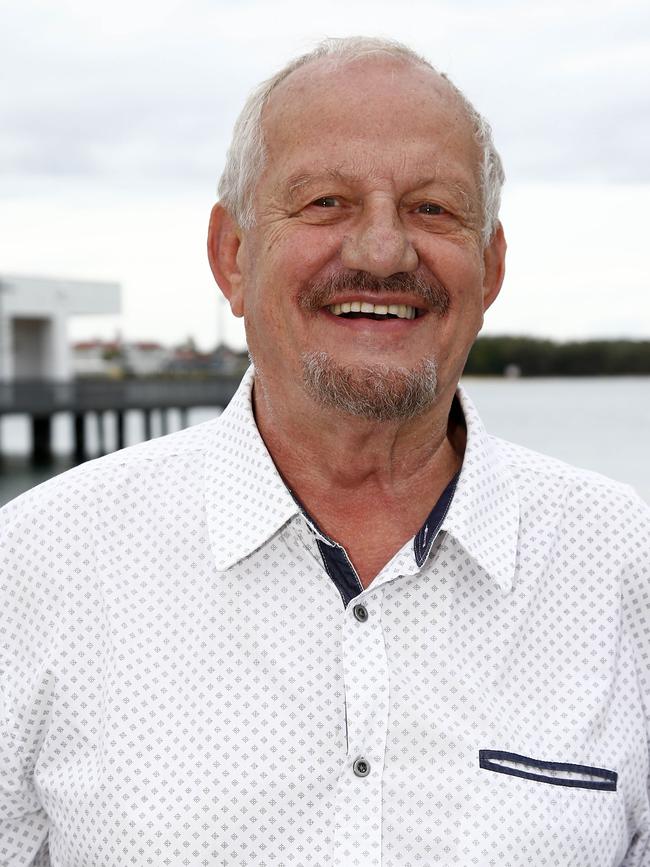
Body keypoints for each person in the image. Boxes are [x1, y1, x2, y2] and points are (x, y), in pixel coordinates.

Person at [1, 36, 649, 867]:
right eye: (325, 203)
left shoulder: (623, 563)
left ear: (490, 268)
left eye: (433, 208)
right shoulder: (37, 563)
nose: (383, 252)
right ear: (231, 256)